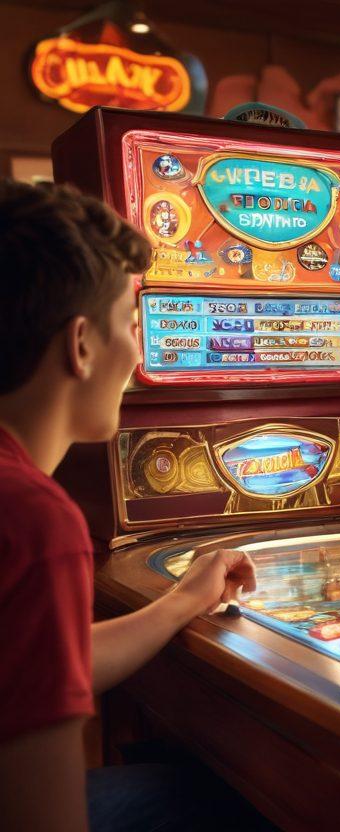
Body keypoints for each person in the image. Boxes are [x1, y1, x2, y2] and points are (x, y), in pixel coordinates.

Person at [0, 180, 257, 830]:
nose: (139, 356)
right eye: (132, 325)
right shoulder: (31, 517)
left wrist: (180, 603)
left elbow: (36, 661)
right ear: (81, 345)